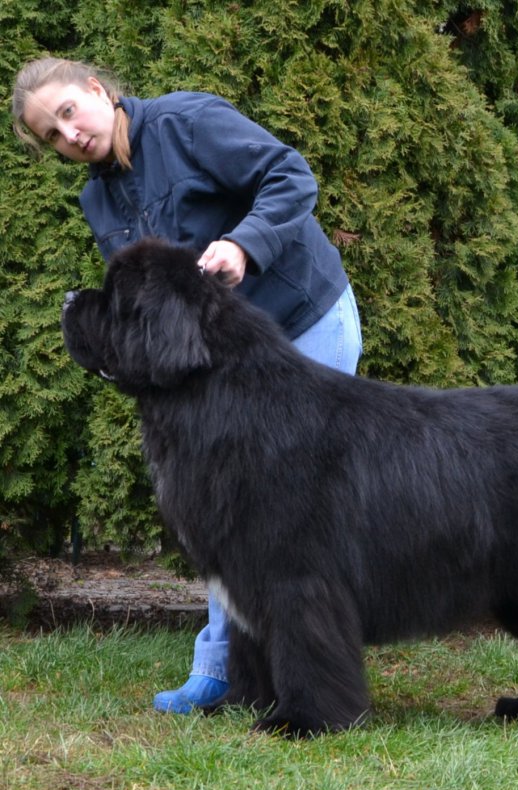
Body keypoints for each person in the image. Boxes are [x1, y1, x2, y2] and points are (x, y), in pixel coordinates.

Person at [12, 57, 363, 714]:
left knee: (292, 518)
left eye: (68, 113)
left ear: (97, 89)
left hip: (303, 317)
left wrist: (243, 244)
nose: (70, 136)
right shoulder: (98, 199)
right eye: (53, 137)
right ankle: (226, 669)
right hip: (227, 360)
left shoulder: (188, 122)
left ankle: (309, 684)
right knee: (226, 506)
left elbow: (291, 176)